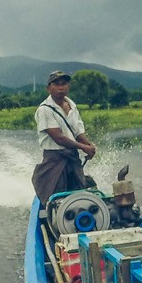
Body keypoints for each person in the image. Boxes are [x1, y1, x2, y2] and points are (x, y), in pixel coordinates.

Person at [32, 70, 96, 207]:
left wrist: (89, 146)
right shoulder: (45, 109)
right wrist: (83, 147)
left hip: (72, 157)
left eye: (64, 84)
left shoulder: (72, 105)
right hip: (55, 159)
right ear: (48, 88)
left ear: (68, 86)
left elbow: (78, 132)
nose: (61, 87)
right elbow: (59, 138)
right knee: (56, 199)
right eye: (56, 84)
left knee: (79, 193)